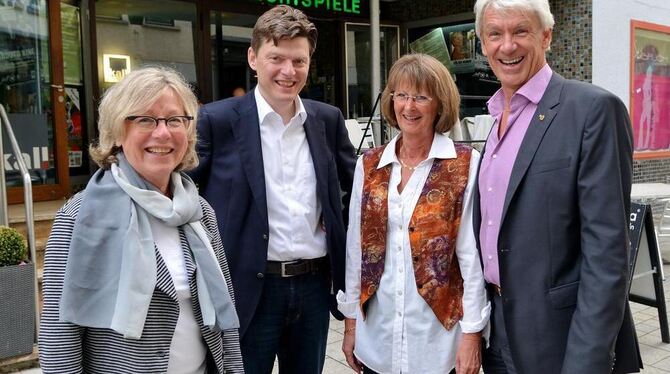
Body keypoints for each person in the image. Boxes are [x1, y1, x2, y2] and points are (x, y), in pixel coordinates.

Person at [472, 0, 641, 373]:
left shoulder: (592, 110)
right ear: (483, 44)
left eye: (521, 31)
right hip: (496, 329)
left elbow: (607, 255)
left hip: (560, 340)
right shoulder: (495, 119)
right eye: (495, 34)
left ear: (546, 35)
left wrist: (585, 363)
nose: (507, 46)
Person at [38, 66, 243, 374]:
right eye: (145, 119)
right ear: (118, 131)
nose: (162, 132)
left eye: (175, 120)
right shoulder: (79, 217)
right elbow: (59, 339)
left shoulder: (200, 212)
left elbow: (226, 317)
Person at [188, 5, 356, 374]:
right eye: (276, 58)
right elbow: (184, 197)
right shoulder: (216, 121)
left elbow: (359, 192)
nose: (288, 71)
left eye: (298, 60)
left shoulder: (326, 119)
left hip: (313, 287)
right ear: (253, 57)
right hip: (248, 288)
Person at [337, 53, 489, 374]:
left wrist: (472, 333)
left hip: (436, 340)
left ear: (440, 104)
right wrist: (351, 324)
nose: (409, 106)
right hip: (379, 335)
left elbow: (471, 258)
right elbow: (356, 250)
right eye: (401, 95)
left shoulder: (464, 164)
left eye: (421, 97)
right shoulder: (369, 164)